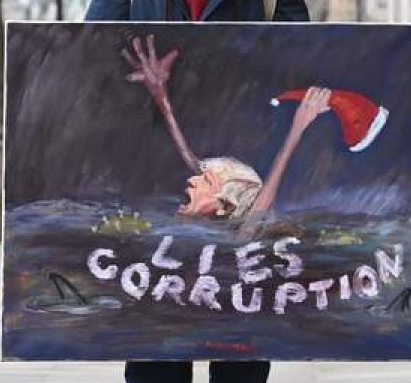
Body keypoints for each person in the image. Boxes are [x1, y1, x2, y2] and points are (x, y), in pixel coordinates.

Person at [85, 0, 309, 383]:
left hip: (236, 184)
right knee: (156, 371)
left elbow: (300, 70)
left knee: (239, 371)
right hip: (151, 187)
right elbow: (92, 65)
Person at [120, 34, 331, 234]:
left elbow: (260, 207)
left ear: (223, 207)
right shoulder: (193, 229)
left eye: (207, 182)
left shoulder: (238, 237)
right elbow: (190, 158)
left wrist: (297, 128)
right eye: (203, 178)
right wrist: (160, 95)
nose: (192, 181)